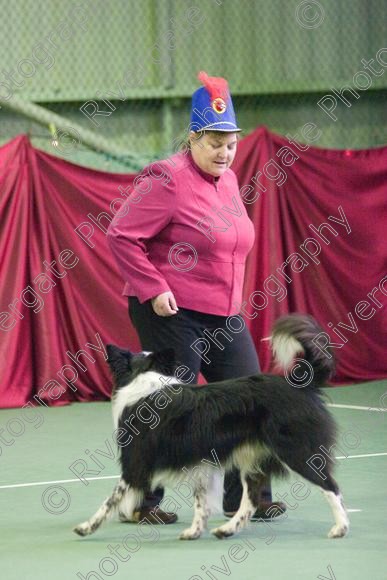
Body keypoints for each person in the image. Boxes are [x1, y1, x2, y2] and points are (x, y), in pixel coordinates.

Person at [107, 71, 285, 525]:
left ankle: (246, 498)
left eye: (231, 144)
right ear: (192, 139)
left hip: (224, 316)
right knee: (169, 407)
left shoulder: (227, 179)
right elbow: (122, 235)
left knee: (251, 398)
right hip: (172, 312)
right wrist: (154, 286)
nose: (225, 153)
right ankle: (141, 503)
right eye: (214, 144)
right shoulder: (166, 178)